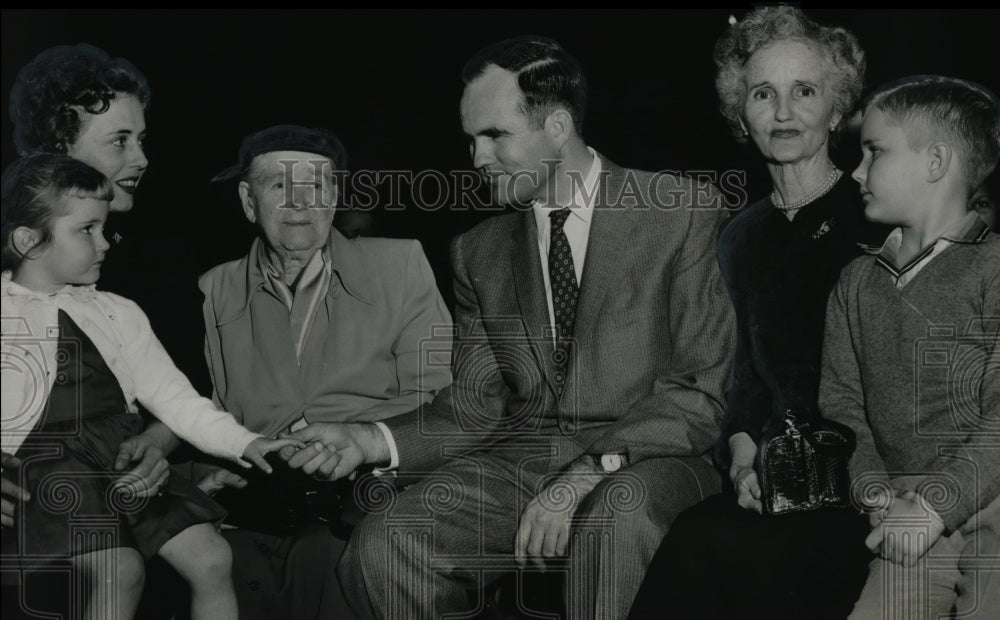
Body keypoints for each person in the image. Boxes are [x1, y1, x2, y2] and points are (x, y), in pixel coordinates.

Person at [281, 35, 735, 620]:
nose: (477, 158)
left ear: (558, 127)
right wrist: (367, 439)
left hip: (653, 460)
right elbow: (475, 406)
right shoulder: (479, 251)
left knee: (614, 515)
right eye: (471, 139)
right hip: (526, 463)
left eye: (495, 135)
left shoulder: (683, 211)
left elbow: (700, 392)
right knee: (391, 540)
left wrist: (585, 472)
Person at [629, 7, 885, 618]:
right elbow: (741, 368)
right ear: (740, 113)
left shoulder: (876, 216)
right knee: (691, 547)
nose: (784, 111)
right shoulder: (738, 234)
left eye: (805, 91)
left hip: (864, 481)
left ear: (837, 107)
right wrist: (743, 454)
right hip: (769, 476)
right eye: (763, 94)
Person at [0, 153, 299, 619]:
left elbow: (176, 399)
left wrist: (247, 442)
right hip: (49, 467)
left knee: (214, 558)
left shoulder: (119, 312)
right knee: (119, 570)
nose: (105, 243)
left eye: (104, 228)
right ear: (28, 241)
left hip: (122, 459)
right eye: (87, 230)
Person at [186, 124, 453, 619]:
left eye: (315, 187)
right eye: (279, 187)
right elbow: (211, 408)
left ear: (335, 197)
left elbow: (438, 395)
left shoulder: (400, 264)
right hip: (257, 504)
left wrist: (357, 437)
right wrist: (210, 462)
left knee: (333, 565)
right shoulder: (213, 290)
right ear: (249, 201)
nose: (299, 203)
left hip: (368, 493)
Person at [823, 75, 1000, 620]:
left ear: (935, 162)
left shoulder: (993, 268)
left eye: (874, 151)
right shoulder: (855, 283)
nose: (855, 171)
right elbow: (843, 409)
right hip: (908, 517)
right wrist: (876, 493)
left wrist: (936, 503)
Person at [3, 43, 178, 542]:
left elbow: (185, 386)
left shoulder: (163, 260)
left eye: (142, 139)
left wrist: (158, 443)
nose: (141, 158)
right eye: (119, 141)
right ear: (57, 150)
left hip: (132, 496)